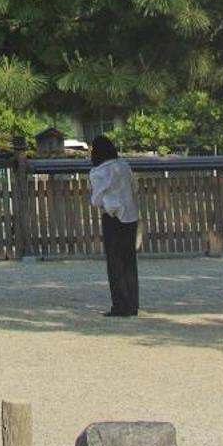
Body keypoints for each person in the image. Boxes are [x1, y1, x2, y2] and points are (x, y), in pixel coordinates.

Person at [88, 133, 139, 316]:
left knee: (115, 264)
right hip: (131, 215)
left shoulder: (99, 172)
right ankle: (132, 304)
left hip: (113, 217)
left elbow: (96, 200)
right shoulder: (123, 166)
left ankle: (120, 305)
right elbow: (135, 187)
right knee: (129, 262)